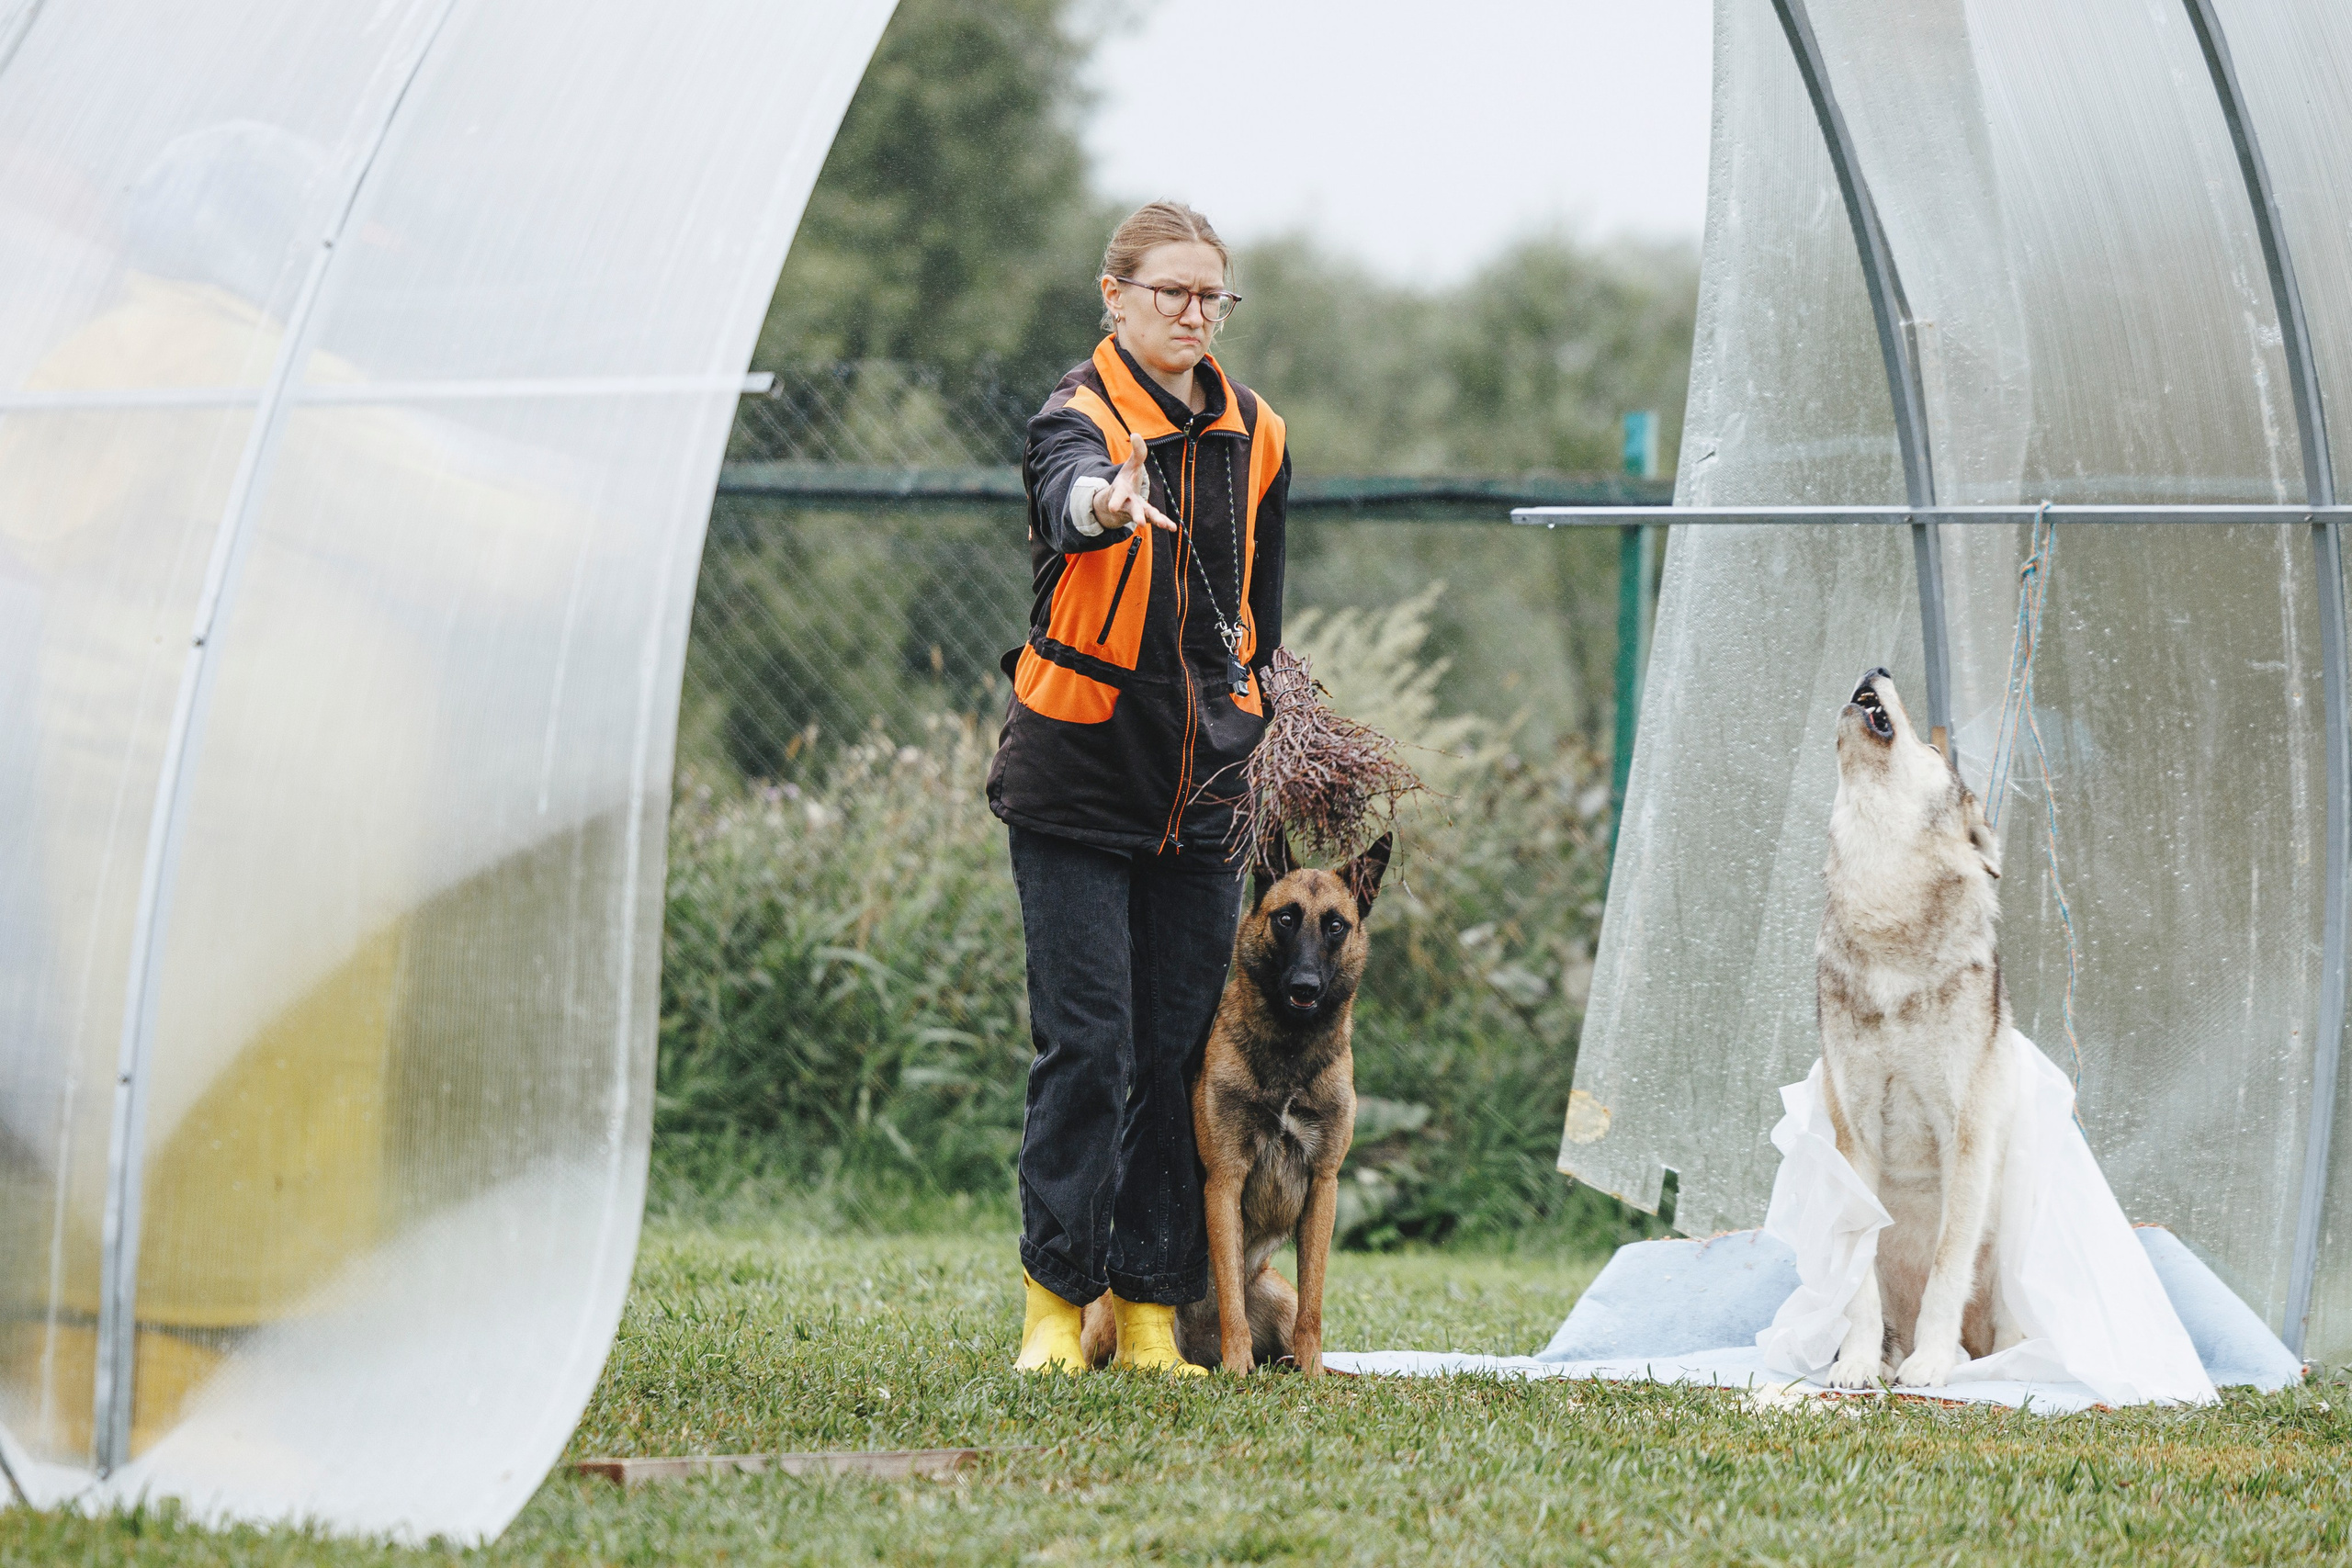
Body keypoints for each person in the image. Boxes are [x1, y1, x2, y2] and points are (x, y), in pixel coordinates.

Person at [986, 200, 1291, 1373]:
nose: (1194, 313)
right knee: (1087, 1048)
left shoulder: (1257, 431)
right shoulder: (1076, 417)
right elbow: (1068, 495)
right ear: (1112, 296)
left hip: (1203, 796)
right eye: (1170, 291)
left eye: (1211, 294)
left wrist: (1255, 717)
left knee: (1176, 1059)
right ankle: (1054, 1310)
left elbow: (1263, 607)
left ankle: (1153, 1315)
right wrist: (1110, 502)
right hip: (1076, 782)